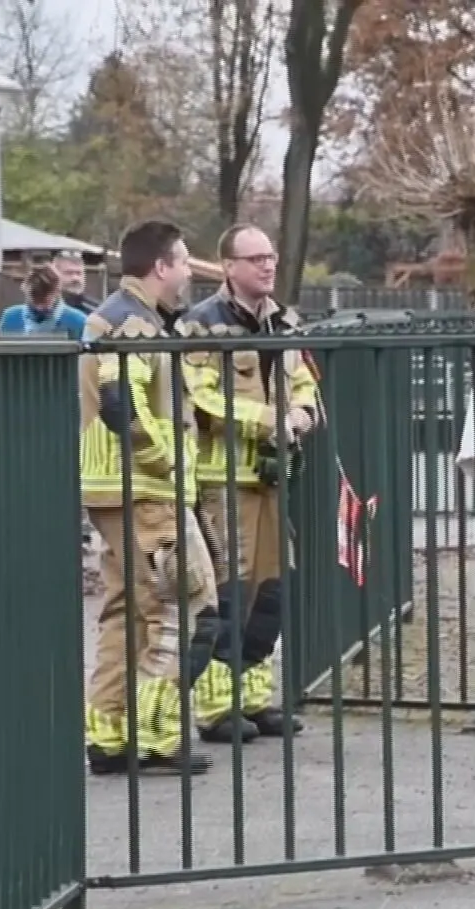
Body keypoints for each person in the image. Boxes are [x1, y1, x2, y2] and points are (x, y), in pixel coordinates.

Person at [79, 220, 222, 776]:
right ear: (161, 266)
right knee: (183, 608)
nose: (188, 273)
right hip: (143, 490)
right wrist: (168, 461)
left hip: (117, 488)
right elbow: (123, 409)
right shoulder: (132, 323)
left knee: (126, 613)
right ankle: (157, 731)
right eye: (184, 262)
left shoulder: (120, 316)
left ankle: (110, 732)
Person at [177, 224, 320, 741]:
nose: (267, 266)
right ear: (229, 266)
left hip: (272, 474)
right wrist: (266, 419)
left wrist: (303, 411)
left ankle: (254, 699)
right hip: (224, 477)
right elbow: (202, 396)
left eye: (271, 257)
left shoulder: (285, 321)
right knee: (230, 590)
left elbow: (302, 377)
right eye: (255, 258)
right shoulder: (201, 324)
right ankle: (216, 709)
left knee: (272, 589)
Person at [0, 265, 88, 339]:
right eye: (35, 301)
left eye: (45, 301)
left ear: (57, 292)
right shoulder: (10, 317)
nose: (39, 307)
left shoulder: (79, 321)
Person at [54, 250, 96, 315]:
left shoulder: (97, 311)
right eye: (69, 273)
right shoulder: (41, 309)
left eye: (79, 273)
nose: (75, 278)